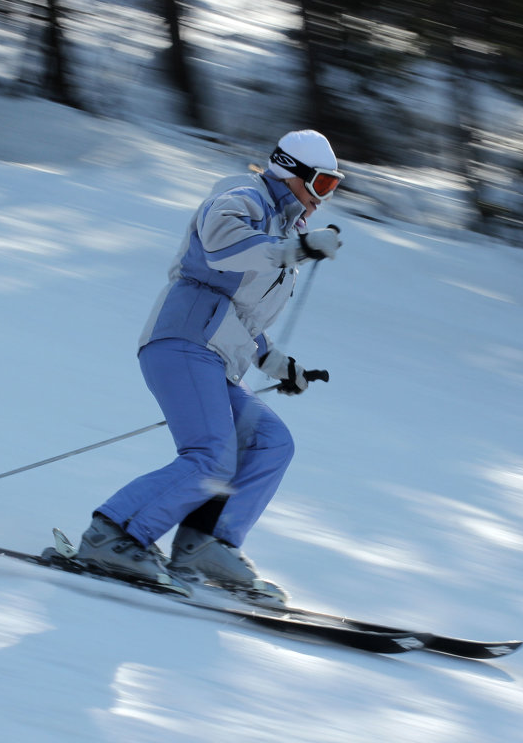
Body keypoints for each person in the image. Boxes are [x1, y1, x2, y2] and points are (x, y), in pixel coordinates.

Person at [74, 130, 344, 600]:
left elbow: (237, 316)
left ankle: (206, 544)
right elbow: (222, 251)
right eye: (321, 185)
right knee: (211, 456)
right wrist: (295, 250)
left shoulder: (283, 228)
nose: (324, 198)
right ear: (291, 171)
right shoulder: (239, 200)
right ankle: (113, 535)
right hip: (180, 342)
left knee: (271, 442)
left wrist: (280, 365)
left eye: (333, 187)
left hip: (214, 355)